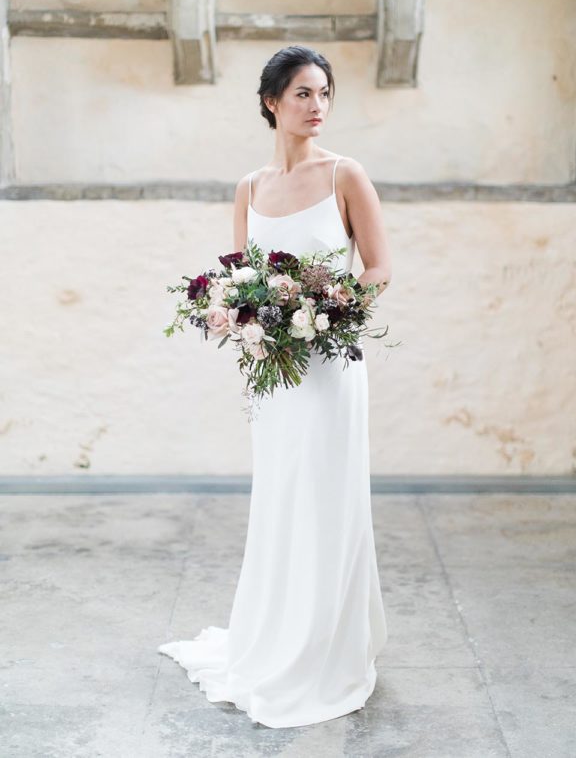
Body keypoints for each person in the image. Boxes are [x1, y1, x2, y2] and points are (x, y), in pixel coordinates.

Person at [158, 45, 393, 728]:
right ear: (270, 102)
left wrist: (326, 308)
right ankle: (275, 638)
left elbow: (377, 267)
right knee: (282, 499)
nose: (317, 107)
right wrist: (231, 309)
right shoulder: (249, 188)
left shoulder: (346, 174)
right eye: (301, 94)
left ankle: (328, 650)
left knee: (328, 498)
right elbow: (240, 273)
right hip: (277, 376)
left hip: (329, 366)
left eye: (324, 94)